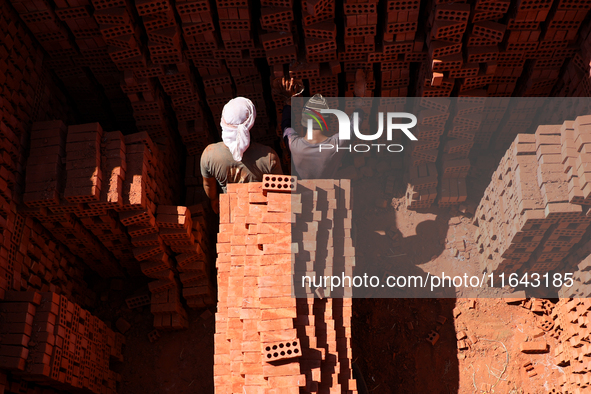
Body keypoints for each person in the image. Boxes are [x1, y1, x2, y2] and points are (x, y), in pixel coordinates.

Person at [277, 71, 367, 179]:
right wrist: (359, 97)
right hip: (329, 192)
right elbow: (354, 125)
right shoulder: (336, 145)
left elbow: (286, 126)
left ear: (304, 122)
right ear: (327, 123)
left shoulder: (294, 145)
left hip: (301, 194)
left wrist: (288, 100)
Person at [200, 97, 282, 213]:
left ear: (223, 121)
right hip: (260, 211)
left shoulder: (209, 154)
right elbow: (278, 191)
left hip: (231, 209)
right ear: (250, 123)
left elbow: (209, 185)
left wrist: (214, 200)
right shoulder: (269, 157)